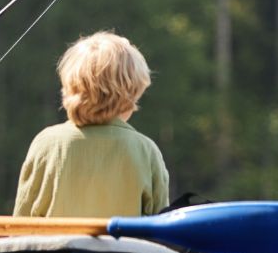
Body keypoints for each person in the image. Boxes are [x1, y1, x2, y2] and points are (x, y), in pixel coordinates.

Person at [13, 31, 170, 218]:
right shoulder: (146, 150)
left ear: (70, 87)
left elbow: (21, 222)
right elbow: (161, 228)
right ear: (132, 93)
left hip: (56, 248)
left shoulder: (46, 143)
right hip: (121, 248)